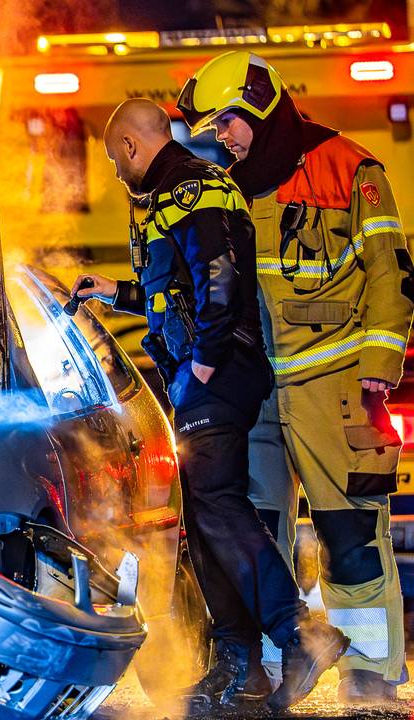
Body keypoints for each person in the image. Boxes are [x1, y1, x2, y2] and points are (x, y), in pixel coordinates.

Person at [73, 98, 348, 713]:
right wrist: (115, 292)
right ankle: (238, 664)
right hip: (211, 372)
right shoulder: (179, 192)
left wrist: (203, 361)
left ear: (128, 147)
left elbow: (219, 279)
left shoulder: (192, 187)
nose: (119, 174)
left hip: (217, 373)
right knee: (204, 512)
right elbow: (179, 294)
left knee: (218, 504)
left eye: (118, 160)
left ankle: (300, 632)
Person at [179, 50, 413, 705]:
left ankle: (368, 672)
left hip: (337, 386)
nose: (219, 135)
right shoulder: (221, 180)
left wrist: (378, 369)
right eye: (212, 125)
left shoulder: (352, 168)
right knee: (254, 531)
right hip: (252, 392)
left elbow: (391, 276)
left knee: (351, 536)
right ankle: (264, 668)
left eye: (227, 120)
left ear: (261, 106)